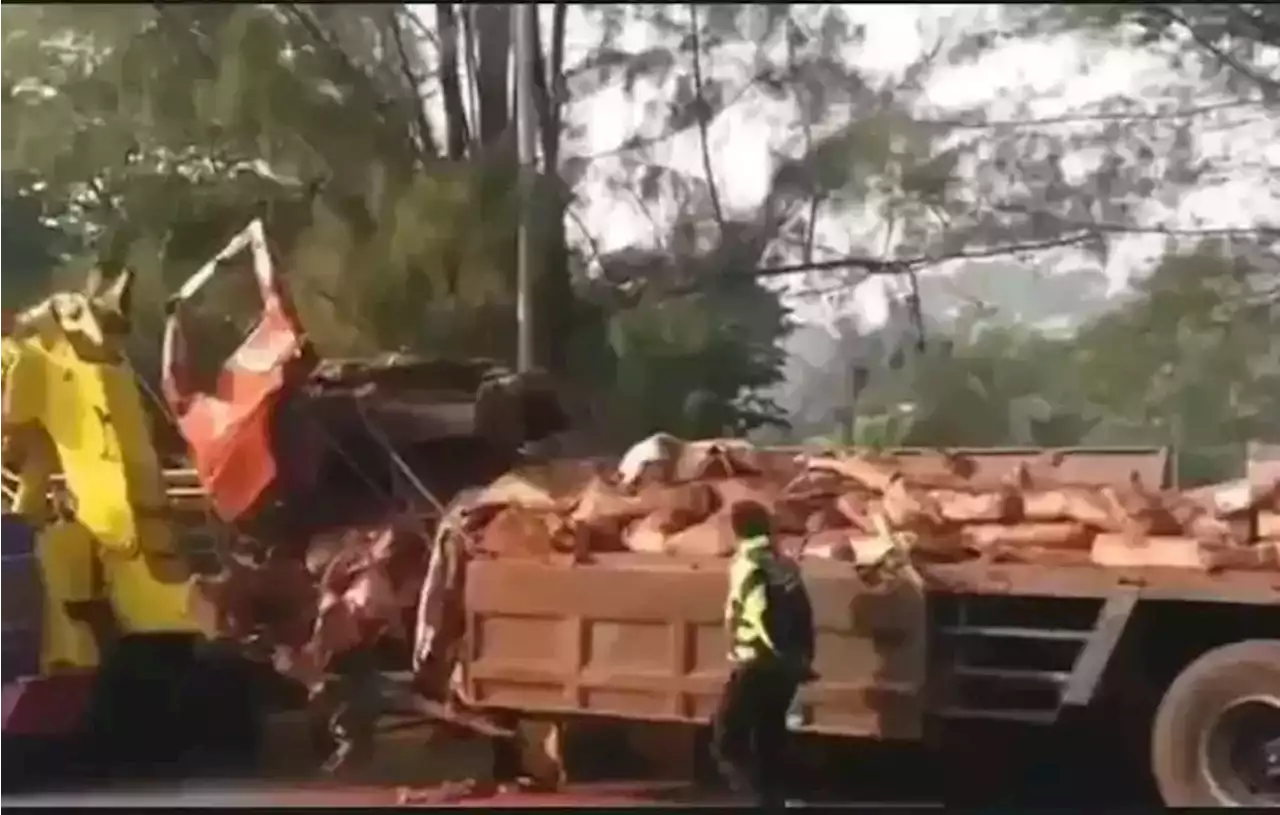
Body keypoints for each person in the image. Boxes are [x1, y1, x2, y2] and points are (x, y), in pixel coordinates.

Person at [711, 499, 817, 806]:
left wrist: (771, 651)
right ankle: (773, 799)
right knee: (769, 737)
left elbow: (761, 613)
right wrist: (802, 658)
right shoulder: (784, 564)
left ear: (735, 530)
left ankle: (756, 799)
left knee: (727, 741)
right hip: (786, 667)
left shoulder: (749, 564)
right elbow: (803, 611)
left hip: (757, 663)